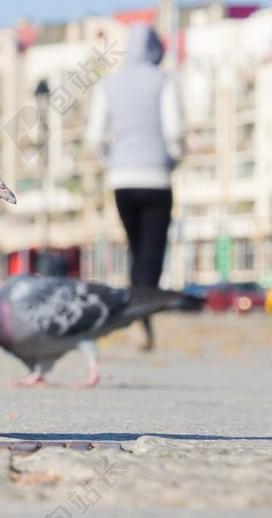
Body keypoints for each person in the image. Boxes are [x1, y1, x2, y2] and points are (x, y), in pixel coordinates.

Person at [86, 23, 184, 350]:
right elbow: (175, 131)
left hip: (122, 180)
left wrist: (111, 162)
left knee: (135, 247)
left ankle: (135, 316)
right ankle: (142, 319)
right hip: (156, 178)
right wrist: (173, 160)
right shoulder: (163, 80)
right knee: (151, 252)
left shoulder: (110, 84)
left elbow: (95, 137)